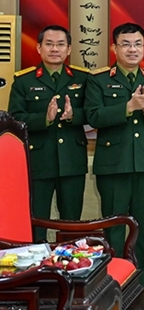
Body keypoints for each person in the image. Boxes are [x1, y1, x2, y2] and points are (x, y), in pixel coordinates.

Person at [85, 23, 144, 306]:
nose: (132, 49)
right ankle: (113, 288)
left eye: (137, 44)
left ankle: (142, 287)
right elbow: (93, 116)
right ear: (114, 48)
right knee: (113, 230)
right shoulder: (98, 80)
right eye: (126, 44)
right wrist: (128, 107)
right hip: (113, 166)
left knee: (142, 230)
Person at [9, 25, 90, 241]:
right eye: (49, 44)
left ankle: (69, 262)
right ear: (39, 48)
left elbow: (93, 113)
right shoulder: (24, 80)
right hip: (39, 162)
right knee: (36, 223)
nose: (55, 49)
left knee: (71, 225)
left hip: (72, 161)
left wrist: (73, 115)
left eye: (60, 44)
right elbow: (14, 119)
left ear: (69, 49)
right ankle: (38, 263)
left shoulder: (82, 78)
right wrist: (44, 119)